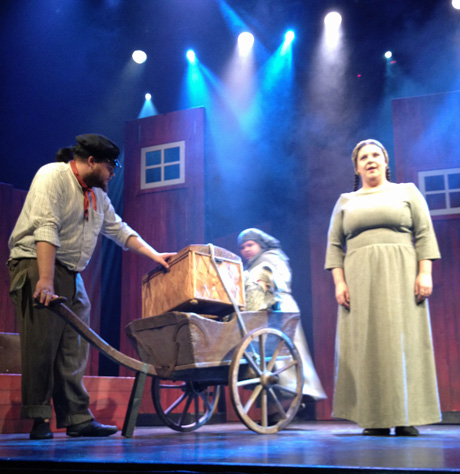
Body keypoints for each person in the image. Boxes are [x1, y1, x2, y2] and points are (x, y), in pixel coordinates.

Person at [8, 134, 175, 440]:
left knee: (75, 345)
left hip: (71, 272)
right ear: (91, 161)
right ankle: (39, 419)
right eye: (111, 167)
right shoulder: (52, 175)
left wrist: (155, 255)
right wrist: (45, 279)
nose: (113, 174)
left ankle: (76, 418)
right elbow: (46, 227)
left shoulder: (97, 195)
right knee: (42, 343)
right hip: (37, 262)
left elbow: (119, 229)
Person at [325, 139, 441, 437]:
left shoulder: (407, 192)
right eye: (363, 157)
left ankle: (406, 416)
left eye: (376, 154)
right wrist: (339, 282)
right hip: (359, 279)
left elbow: (424, 233)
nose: (370, 160)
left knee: (404, 341)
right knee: (366, 344)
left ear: (386, 161)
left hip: (402, 274)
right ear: (356, 167)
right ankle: (373, 418)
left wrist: (425, 273)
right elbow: (334, 245)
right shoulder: (346, 201)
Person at [238, 228, 326, 404]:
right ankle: (277, 405)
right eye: (242, 247)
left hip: (279, 307)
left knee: (285, 354)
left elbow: (281, 278)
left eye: (250, 245)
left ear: (260, 244)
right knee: (270, 360)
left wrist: (267, 281)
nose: (246, 249)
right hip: (263, 311)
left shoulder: (271, 257)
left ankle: (297, 392)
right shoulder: (251, 265)